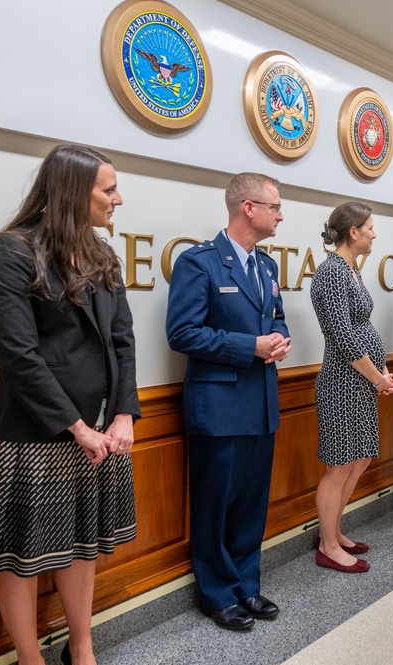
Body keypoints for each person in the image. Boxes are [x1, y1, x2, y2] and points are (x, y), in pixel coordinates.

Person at [0, 144, 139, 665]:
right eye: (109, 189)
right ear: (71, 191)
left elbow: (123, 341)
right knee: (21, 558)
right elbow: (18, 357)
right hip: (34, 433)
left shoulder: (103, 254)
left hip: (98, 433)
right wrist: (76, 426)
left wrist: (124, 411)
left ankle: (80, 649)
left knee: (81, 547)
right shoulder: (11, 250)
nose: (118, 198)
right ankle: (29, 657)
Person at [166, 173, 290, 630]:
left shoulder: (266, 267)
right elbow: (182, 333)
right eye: (275, 207)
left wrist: (280, 339)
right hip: (218, 407)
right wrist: (250, 347)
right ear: (248, 209)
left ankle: (246, 586)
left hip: (260, 403)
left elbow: (277, 319)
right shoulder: (199, 263)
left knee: (251, 504)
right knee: (215, 505)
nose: (281, 215)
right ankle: (217, 593)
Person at [310, 202, 393, 573]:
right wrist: (377, 376)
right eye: (371, 227)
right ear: (353, 232)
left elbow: (362, 329)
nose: (375, 234)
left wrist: (382, 370)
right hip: (341, 384)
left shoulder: (352, 271)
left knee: (358, 459)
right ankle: (327, 545)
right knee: (339, 466)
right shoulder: (331, 272)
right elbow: (342, 337)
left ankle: (334, 530)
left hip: (362, 383)